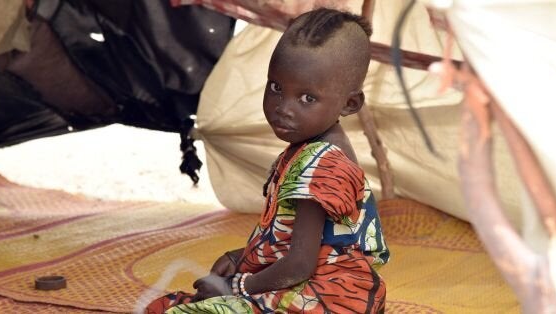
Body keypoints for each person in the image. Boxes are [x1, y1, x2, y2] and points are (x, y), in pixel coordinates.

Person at [146, 7, 389, 314]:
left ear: (350, 103)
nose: (283, 107)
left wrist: (235, 286)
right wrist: (240, 257)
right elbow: (293, 241)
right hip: (312, 286)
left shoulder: (324, 167)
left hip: (327, 299)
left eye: (307, 98)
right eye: (276, 88)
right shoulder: (312, 146)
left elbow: (299, 265)